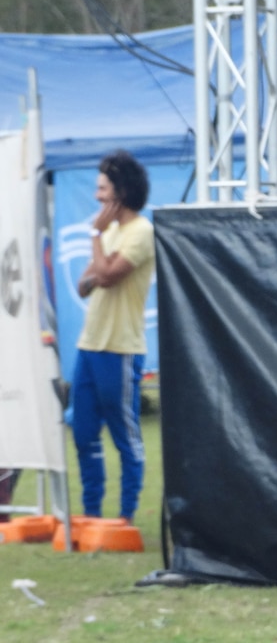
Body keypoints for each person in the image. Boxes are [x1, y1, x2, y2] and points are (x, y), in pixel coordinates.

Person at [72, 150, 154, 525]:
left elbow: (104, 277)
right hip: (89, 346)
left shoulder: (140, 232)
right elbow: (84, 285)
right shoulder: (111, 233)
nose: (97, 197)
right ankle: (91, 513)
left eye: (102, 188)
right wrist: (100, 250)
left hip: (120, 349)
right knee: (84, 434)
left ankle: (125, 515)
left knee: (125, 437)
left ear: (120, 191)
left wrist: (95, 237)